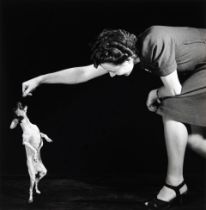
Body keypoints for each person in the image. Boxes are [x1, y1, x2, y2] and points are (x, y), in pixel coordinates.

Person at [22, 26, 206, 209]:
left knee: (172, 107)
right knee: (196, 140)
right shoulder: (128, 51)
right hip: (197, 69)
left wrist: (155, 93)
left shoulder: (154, 42)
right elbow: (83, 73)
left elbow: (174, 90)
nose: (110, 75)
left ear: (126, 59)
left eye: (112, 70)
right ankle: (177, 183)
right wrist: (40, 79)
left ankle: (175, 184)